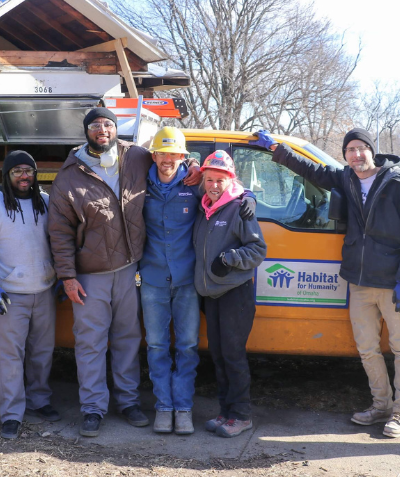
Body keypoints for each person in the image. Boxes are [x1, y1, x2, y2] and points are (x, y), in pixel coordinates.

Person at [256, 128, 400, 438]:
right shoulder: (346, 178)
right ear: (345, 154)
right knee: (367, 349)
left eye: (361, 148)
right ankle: (381, 406)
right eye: (350, 149)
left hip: (392, 283)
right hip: (359, 282)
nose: (356, 154)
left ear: (372, 151)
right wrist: (278, 149)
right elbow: (312, 169)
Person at [48, 108, 201, 437]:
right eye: (95, 126)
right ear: (86, 131)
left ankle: (128, 402)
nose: (102, 130)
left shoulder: (135, 157)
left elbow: (169, 159)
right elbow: (59, 232)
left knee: (128, 340)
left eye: (107, 124)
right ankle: (92, 408)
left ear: (117, 129)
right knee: (90, 343)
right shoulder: (70, 176)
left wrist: (194, 166)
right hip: (90, 275)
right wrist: (67, 276)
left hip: (131, 269)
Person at [140, 128, 256, 435]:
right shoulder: (138, 185)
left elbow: (226, 190)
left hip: (188, 281)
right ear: (154, 155)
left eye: (175, 154)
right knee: (156, 345)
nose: (168, 160)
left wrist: (250, 196)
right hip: (151, 279)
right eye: (162, 153)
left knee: (188, 347)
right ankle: (164, 407)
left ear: (182, 157)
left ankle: (184, 408)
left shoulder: (194, 186)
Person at [0, 150, 59, 439]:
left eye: (29, 171)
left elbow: (56, 241)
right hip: (9, 294)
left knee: (42, 353)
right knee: (10, 357)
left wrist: (59, 275)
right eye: (17, 171)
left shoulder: (45, 203)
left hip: (44, 291)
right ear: (6, 175)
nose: (24, 176)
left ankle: (40, 400)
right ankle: (11, 413)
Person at [192, 150, 267, 438]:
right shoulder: (204, 208)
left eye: (219, 180)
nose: (213, 185)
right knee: (219, 355)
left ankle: (242, 415)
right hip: (211, 296)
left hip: (235, 294)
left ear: (230, 180)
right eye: (209, 179)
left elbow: (257, 250)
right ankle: (225, 412)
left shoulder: (239, 208)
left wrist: (229, 259)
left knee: (233, 355)